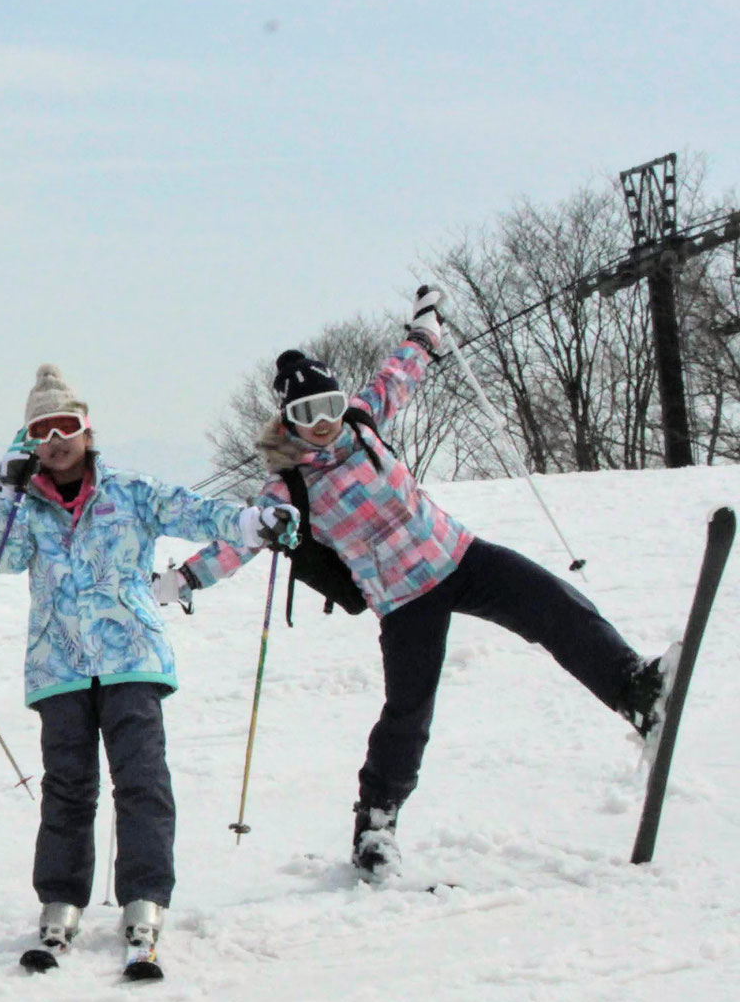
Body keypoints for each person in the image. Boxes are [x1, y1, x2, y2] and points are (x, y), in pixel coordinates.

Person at [166, 287, 668, 879]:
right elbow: (238, 542)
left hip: (458, 554)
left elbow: (398, 374)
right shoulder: (288, 491)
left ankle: (634, 690)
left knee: (555, 607)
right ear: (288, 421)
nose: (324, 422)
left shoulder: (363, 420)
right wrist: (185, 578)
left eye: (328, 404)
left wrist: (424, 329)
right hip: (404, 601)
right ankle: (375, 828)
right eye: (307, 414)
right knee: (409, 712)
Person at [0, 365, 296, 977]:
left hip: (131, 658)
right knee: (68, 788)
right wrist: (7, 492)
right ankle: (60, 902)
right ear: (28, 441)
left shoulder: (129, 490)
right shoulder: (28, 505)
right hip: (59, 667)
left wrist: (255, 522)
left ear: (87, 429)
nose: (56, 440)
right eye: (40, 431)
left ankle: (145, 900)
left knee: (142, 783)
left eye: (66, 426)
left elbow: (198, 514)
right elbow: (2, 558)